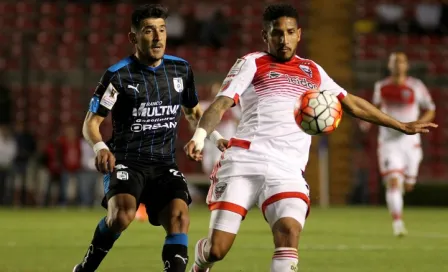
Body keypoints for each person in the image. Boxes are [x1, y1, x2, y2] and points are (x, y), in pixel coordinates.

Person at [184, 4, 437, 272]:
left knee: (289, 234)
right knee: (218, 249)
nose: (284, 39)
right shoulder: (252, 62)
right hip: (245, 160)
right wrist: (200, 136)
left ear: (299, 34)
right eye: (277, 33)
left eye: (290, 32)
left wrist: (400, 125)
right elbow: (221, 104)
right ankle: (202, 260)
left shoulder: (313, 70)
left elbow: (351, 103)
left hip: (288, 168)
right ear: (264, 35)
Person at [72, 4, 226, 272]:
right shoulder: (117, 75)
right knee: (122, 215)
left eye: (162, 30)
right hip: (126, 161)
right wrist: (99, 147)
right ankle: (85, 268)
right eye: (149, 31)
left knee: (180, 218)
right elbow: (91, 123)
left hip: (164, 163)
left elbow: (193, 113)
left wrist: (212, 138)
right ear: (134, 37)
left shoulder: (181, 70)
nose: (157, 37)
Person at [361, 52, 436, 236]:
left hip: (410, 142)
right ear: (389, 65)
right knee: (394, 181)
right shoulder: (381, 87)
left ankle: (406, 184)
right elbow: (375, 109)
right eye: (394, 61)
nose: (397, 64)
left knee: (408, 185)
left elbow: (431, 108)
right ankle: (397, 223)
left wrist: (419, 122)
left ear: (407, 65)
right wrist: (366, 121)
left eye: (401, 61)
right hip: (389, 142)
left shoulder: (416, 86)